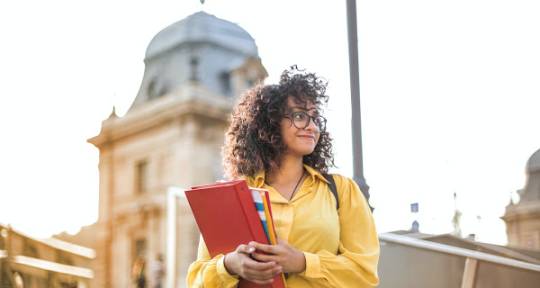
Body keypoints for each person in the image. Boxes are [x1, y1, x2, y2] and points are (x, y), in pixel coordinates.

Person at [187, 66, 379, 287]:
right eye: (300, 115)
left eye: (315, 118)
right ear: (270, 123)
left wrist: (302, 262)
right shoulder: (234, 196)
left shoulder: (341, 190)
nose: (312, 127)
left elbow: (365, 274)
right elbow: (196, 280)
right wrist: (229, 266)